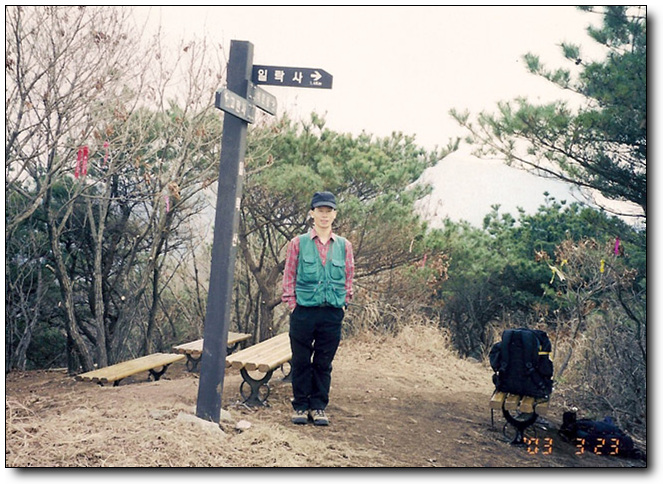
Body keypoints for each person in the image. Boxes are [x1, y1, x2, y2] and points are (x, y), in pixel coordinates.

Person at [282, 191, 354, 426]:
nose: (324, 215)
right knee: (301, 361)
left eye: (328, 211)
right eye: (320, 210)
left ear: (335, 214)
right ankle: (301, 406)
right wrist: (292, 305)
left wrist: (344, 302)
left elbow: (349, 277)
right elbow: (289, 275)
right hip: (303, 311)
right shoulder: (298, 243)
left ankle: (319, 407)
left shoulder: (344, 246)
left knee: (324, 362)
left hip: (331, 312)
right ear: (312, 213)